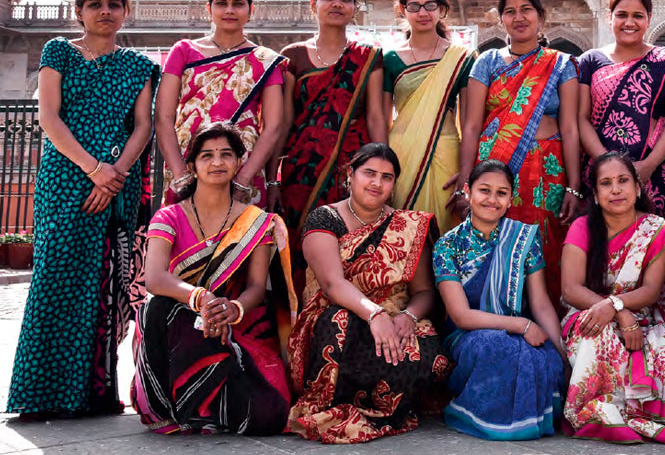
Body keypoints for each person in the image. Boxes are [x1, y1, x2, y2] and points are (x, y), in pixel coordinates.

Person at [8, 0, 159, 420]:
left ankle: (93, 395)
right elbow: (49, 117)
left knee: (102, 285)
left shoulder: (137, 65)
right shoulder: (60, 51)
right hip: (65, 179)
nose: (105, 11)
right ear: (80, 12)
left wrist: (114, 176)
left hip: (116, 183)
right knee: (55, 280)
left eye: (114, 5)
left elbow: (142, 128)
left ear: (125, 12)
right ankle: (40, 395)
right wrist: (94, 170)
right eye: (95, 4)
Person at [132, 122, 296, 435]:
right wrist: (201, 299)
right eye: (206, 156)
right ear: (192, 165)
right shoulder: (168, 216)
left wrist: (232, 309)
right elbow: (154, 279)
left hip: (237, 323)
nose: (217, 162)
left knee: (267, 415)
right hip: (179, 316)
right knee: (157, 309)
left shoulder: (256, 221)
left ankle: (205, 404)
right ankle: (173, 406)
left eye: (226, 155)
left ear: (238, 163)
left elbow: (256, 288)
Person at [287, 143, 447, 443]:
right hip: (340, 315)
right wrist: (375, 315)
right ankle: (343, 403)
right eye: (369, 173)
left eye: (387, 177)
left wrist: (408, 317)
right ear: (350, 175)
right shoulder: (325, 218)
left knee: (426, 343)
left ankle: (386, 406)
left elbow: (425, 292)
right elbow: (333, 284)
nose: (377, 183)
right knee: (340, 323)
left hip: (394, 315)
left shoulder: (409, 226)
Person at [560, 152, 665, 444]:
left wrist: (617, 306)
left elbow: (650, 290)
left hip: (643, 321)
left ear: (638, 188)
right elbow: (571, 289)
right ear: (595, 195)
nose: (616, 189)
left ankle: (625, 412)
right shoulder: (582, 227)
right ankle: (600, 416)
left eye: (623, 181)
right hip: (587, 314)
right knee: (596, 335)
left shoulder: (657, 231)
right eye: (606, 183)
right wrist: (616, 311)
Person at [458, 0, 582, 306]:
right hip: (496, 172)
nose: (519, 17)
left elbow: (570, 127)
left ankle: (546, 323)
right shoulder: (487, 62)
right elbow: (471, 126)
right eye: (510, 11)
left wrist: (574, 185)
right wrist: (464, 179)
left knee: (545, 247)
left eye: (526, 9)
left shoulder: (561, 64)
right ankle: (493, 321)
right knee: (493, 243)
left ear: (541, 16)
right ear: (501, 20)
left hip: (547, 172)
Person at [433, 160, 567, 440]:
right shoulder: (447, 245)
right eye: (484, 190)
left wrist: (563, 354)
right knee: (496, 347)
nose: (492, 200)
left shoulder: (523, 238)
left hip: (520, 332)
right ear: (467, 192)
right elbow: (460, 316)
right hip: (467, 335)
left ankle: (524, 417)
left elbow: (540, 303)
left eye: (501, 193)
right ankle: (486, 415)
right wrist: (521, 325)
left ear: (510, 199)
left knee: (545, 359)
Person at [274, 0, 385, 281]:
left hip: (352, 170)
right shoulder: (292, 56)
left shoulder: (368, 57)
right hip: (301, 171)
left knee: (353, 248)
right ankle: (298, 323)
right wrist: (273, 179)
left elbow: (376, 117)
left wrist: (384, 170)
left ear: (354, 7)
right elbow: (284, 120)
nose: (337, 3)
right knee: (300, 248)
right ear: (314, 4)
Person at [155, 0, 286, 208]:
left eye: (238, 3)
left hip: (243, 163)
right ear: (209, 8)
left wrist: (245, 177)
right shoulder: (184, 51)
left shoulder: (265, 60)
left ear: (250, 10)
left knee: (244, 240)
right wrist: (179, 173)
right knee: (185, 238)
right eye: (221, 3)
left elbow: (273, 126)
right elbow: (164, 117)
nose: (229, 10)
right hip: (189, 162)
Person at [578, 0, 665, 219]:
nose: (630, 22)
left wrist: (648, 165)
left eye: (638, 16)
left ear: (649, 19)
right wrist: (606, 164)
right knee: (602, 245)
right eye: (621, 15)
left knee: (655, 245)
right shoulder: (590, 61)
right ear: (609, 18)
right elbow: (581, 119)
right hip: (601, 175)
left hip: (653, 171)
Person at [384, 0, 475, 233]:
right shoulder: (389, 59)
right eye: (414, 6)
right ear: (402, 10)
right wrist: (383, 169)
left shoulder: (461, 58)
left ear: (441, 9)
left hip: (447, 153)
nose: (422, 12)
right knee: (403, 238)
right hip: (401, 155)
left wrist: (466, 175)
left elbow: (470, 124)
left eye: (430, 5)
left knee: (447, 234)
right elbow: (381, 119)